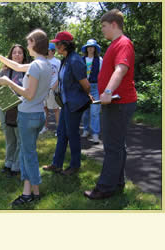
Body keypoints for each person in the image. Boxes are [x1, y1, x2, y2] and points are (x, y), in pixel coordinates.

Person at [0, 29, 52, 206]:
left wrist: (8, 82)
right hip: (37, 115)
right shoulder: (46, 64)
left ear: (34, 44)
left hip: (28, 115)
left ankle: (28, 194)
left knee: (28, 157)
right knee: (28, 154)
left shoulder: (36, 66)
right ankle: (33, 192)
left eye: (28, 43)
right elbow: (18, 67)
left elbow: (28, 94)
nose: (27, 46)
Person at [84, 9, 137, 199]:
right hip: (117, 102)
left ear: (114, 24)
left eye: (104, 26)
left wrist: (107, 91)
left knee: (112, 147)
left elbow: (121, 69)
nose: (103, 30)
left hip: (118, 102)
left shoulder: (123, 43)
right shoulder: (116, 44)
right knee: (117, 146)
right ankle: (118, 182)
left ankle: (105, 188)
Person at [42, 31, 91, 176]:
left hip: (74, 104)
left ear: (65, 45)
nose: (55, 46)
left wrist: (86, 96)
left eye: (58, 43)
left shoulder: (75, 60)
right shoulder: (66, 59)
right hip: (66, 103)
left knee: (72, 134)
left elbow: (86, 84)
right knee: (62, 133)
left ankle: (75, 166)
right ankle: (56, 164)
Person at [0, 44, 28, 177]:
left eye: (20, 53)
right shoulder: (3, 72)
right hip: (5, 108)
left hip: (20, 109)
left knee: (20, 138)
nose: (17, 55)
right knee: (9, 138)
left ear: (24, 56)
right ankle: (8, 163)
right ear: (10, 56)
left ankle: (16, 165)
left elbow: (29, 92)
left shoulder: (28, 72)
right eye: (14, 53)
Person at [81, 39, 103, 144]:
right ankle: (86, 129)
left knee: (95, 112)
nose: (90, 48)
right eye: (88, 47)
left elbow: (103, 75)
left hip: (95, 87)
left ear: (95, 49)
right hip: (84, 88)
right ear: (86, 49)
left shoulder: (99, 60)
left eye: (92, 47)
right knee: (85, 112)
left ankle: (95, 133)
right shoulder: (81, 60)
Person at [40, 43, 61, 136]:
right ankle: (44, 127)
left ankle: (59, 129)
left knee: (56, 109)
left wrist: (53, 87)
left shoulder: (57, 62)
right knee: (44, 108)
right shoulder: (42, 61)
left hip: (53, 88)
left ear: (53, 51)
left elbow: (60, 77)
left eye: (48, 50)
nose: (46, 52)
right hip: (44, 89)